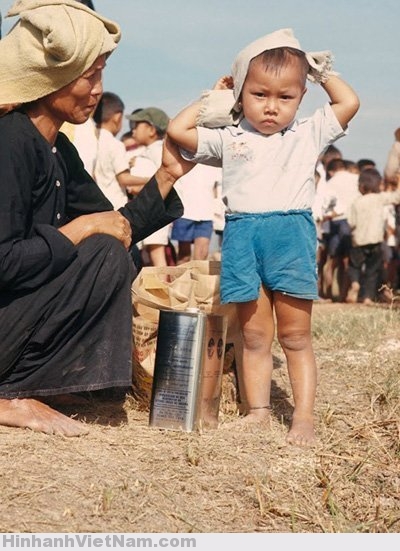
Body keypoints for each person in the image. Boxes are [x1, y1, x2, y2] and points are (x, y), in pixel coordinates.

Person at [0, 0, 192, 437]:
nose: (98, 90)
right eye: (90, 74)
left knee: (109, 252)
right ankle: (9, 393)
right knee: (99, 247)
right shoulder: (10, 142)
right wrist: (79, 229)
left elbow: (116, 227)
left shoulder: (57, 149)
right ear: (51, 76)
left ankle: (38, 380)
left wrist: (166, 174)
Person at [167, 27, 359, 446]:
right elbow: (179, 132)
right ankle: (258, 411)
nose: (272, 107)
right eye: (259, 95)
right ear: (240, 95)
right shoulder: (229, 137)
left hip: (290, 234)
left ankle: (303, 416)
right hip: (241, 235)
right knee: (254, 336)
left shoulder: (307, 134)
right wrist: (212, 99)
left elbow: (349, 102)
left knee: (294, 335)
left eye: (285, 97)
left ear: (301, 98)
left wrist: (317, 70)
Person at [126, 107, 173, 267]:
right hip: (153, 208)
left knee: (156, 253)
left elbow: (161, 178)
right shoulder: (150, 151)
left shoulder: (158, 150)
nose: (133, 130)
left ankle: (164, 290)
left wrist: (134, 188)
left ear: (151, 130)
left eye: (137, 125)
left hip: (157, 208)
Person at [346, 168, 400, 304]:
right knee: (372, 271)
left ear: (362, 186)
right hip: (375, 241)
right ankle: (368, 297)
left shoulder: (356, 202)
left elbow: (351, 223)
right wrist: (399, 182)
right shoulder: (379, 198)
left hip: (358, 241)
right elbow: (397, 197)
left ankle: (354, 283)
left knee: (354, 267)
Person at [92, 91, 146, 207]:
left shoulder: (91, 140)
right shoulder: (115, 144)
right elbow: (124, 178)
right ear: (117, 117)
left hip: (95, 205)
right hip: (114, 205)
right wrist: (151, 180)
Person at [171, 164, 222, 263]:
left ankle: (197, 278)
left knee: (201, 257)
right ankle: (182, 279)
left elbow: (216, 189)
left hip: (206, 214)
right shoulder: (183, 156)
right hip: (184, 213)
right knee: (184, 257)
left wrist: (217, 210)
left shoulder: (213, 161)